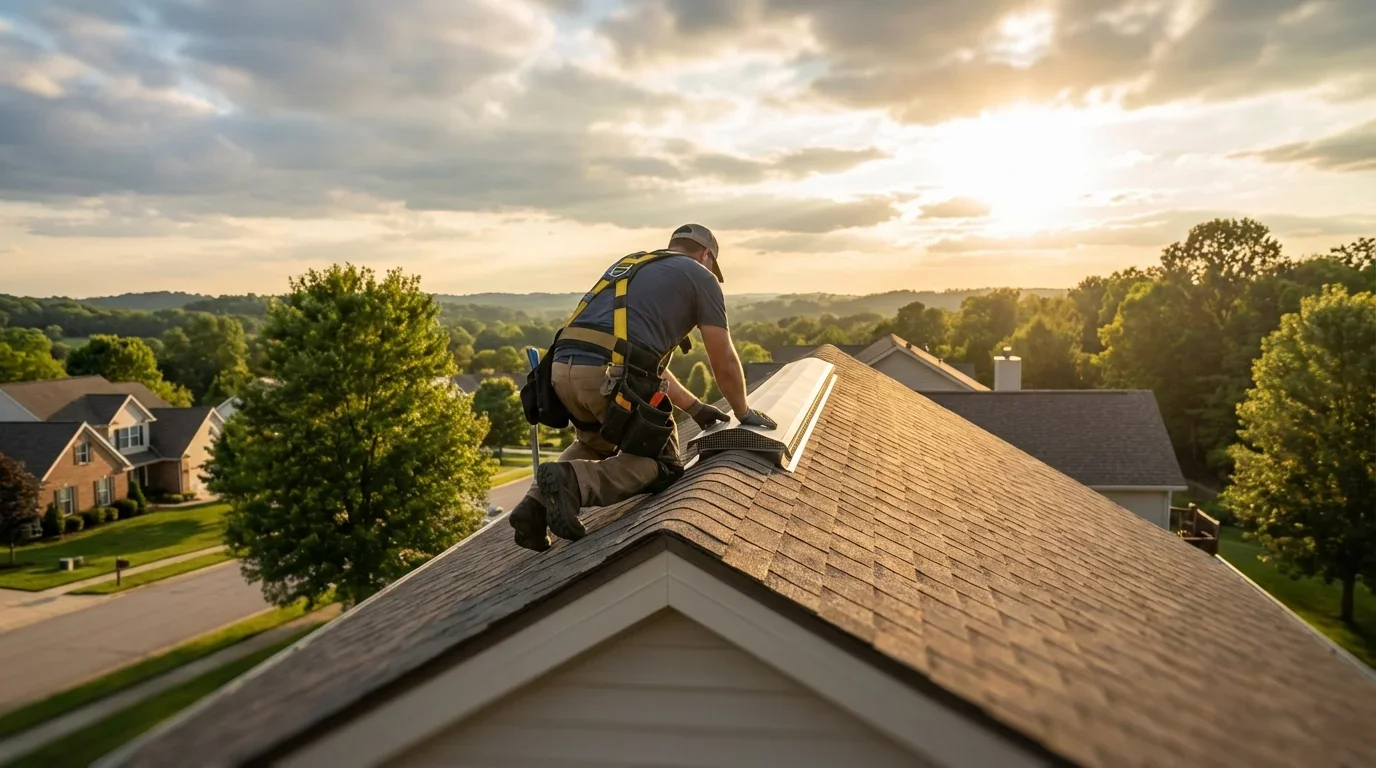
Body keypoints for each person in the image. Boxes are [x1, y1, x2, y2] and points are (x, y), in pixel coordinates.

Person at [510, 224, 776, 552]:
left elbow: (647, 365)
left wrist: (695, 408)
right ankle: (573, 485)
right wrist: (742, 411)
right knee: (664, 465)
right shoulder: (701, 276)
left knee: (597, 442)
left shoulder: (633, 265)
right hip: (606, 375)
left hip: (561, 373)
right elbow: (722, 358)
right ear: (707, 255)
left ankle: (534, 506)